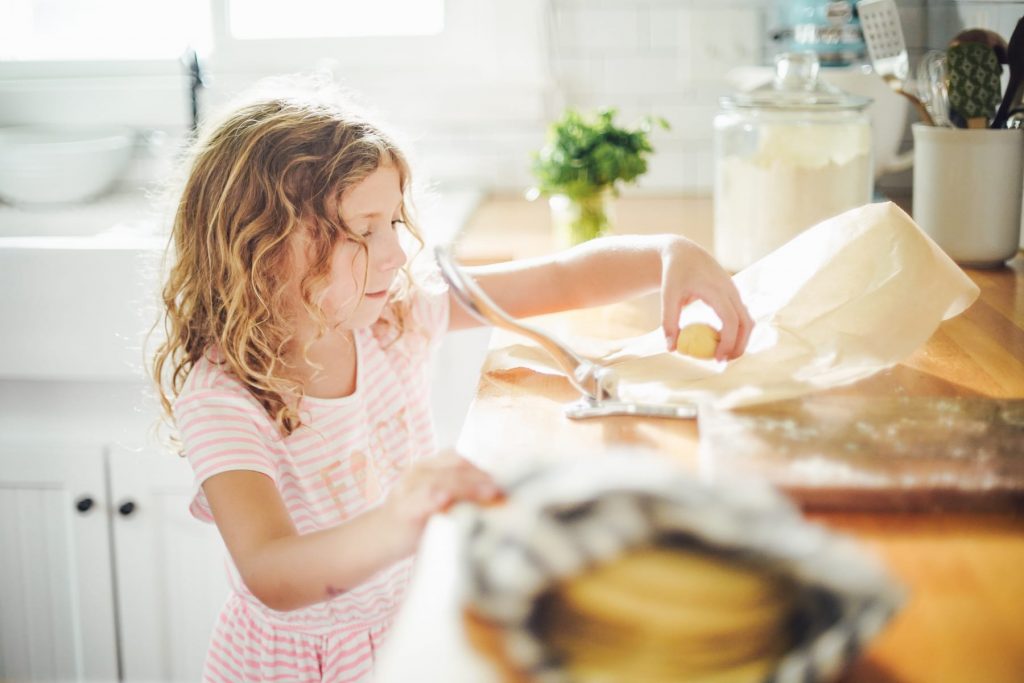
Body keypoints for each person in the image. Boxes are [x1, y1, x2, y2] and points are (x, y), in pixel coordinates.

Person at [150, 80, 753, 683]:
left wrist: (668, 254)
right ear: (263, 246)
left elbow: (559, 280)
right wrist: (401, 518)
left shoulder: (392, 320)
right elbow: (272, 572)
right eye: (363, 230)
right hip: (304, 665)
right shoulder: (224, 402)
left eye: (392, 221)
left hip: (408, 625)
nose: (392, 253)